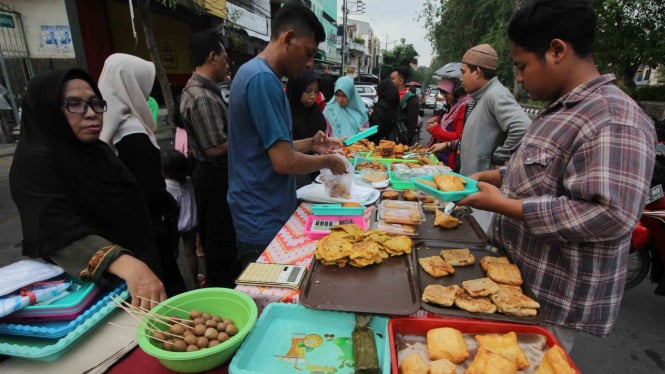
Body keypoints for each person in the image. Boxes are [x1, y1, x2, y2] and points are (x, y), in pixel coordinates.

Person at [458, 0, 657, 352]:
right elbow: (547, 169)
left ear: (557, 50)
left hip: (551, 301)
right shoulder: (562, 109)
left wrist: (508, 206)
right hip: (514, 285)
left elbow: (611, 214)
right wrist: (497, 175)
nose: (518, 77)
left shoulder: (613, 117)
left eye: (522, 66)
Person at [9, 68, 178, 310]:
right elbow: (56, 230)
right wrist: (127, 265)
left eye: (95, 103)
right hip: (97, 294)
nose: (91, 114)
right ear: (48, 110)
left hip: (142, 276)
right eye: (74, 104)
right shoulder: (34, 164)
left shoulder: (98, 151)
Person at [227, 3, 347, 267]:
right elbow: (283, 162)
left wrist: (312, 144)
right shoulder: (262, 80)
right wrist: (327, 161)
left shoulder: (257, 75)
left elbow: (270, 147)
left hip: (265, 208)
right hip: (261, 215)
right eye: (308, 53)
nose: (308, 64)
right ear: (288, 38)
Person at [98, 53, 186, 295]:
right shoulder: (132, 131)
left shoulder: (108, 124)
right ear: (130, 85)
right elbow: (150, 189)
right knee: (165, 285)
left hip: (126, 227)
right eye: (143, 85)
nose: (146, 92)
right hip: (148, 229)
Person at [179, 30, 240, 287]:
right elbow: (215, 147)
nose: (227, 64)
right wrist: (247, 140)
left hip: (212, 177)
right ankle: (223, 294)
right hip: (213, 179)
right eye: (224, 57)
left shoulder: (203, 90)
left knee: (221, 242)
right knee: (219, 244)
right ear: (212, 56)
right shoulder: (201, 96)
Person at [456, 44, 531, 175]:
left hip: (484, 185)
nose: (461, 78)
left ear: (477, 72)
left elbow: (523, 126)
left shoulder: (496, 94)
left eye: (463, 72)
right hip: (473, 182)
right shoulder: (482, 96)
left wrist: (500, 156)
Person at [426, 62, 474, 171]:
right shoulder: (454, 105)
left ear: (457, 91)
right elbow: (447, 119)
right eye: (442, 93)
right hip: (440, 157)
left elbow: (458, 137)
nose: (443, 97)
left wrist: (435, 130)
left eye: (446, 93)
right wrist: (438, 119)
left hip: (450, 162)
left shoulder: (464, 106)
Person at [161, 150, 199, 288]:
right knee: (191, 253)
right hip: (191, 223)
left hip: (175, 226)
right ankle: (194, 281)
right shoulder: (189, 182)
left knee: (174, 253)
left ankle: (178, 281)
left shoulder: (167, 186)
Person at [286, 69, 329, 188]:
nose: (312, 96)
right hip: (293, 176)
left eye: (316, 92)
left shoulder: (315, 113)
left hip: (317, 172)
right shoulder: (285, 114)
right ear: (297, 90)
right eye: (308, 91)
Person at [390, 67, 419, 145]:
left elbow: (411, 127)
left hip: (402, 142)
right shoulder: (390, 95)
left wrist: (406, 143)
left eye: (392, 79)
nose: (390, 81)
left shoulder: (411, 99)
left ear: (400, 81)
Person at [368, 78, 399, 143]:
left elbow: (375, 128)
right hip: (394, 141)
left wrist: (372, 116)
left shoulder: (381, 106)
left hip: (380, 144)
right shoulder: (397, 104)